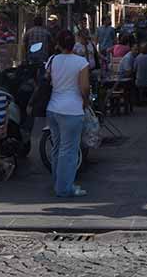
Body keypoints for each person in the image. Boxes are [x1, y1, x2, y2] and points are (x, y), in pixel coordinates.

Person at [46, 29, 90, 198]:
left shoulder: (52, 60)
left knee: (57, 148)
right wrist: (85, 102)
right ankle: (64, 188)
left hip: (53, 108)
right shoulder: (81, 62)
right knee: (69, 150)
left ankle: (57, 182)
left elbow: (48, 80)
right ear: (74, 44)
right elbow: (84, 87)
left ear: (58, 44)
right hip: (72, 109)